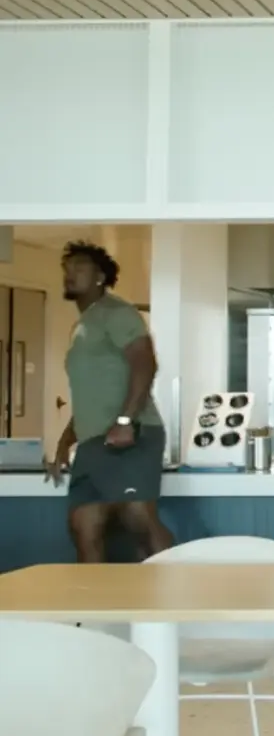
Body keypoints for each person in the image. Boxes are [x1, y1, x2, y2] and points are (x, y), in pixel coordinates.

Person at [44, 241, 173, 563]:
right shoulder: (83, 325)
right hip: (94, 442)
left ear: (100, 277)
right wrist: (64, 443)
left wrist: (125, 421)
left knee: (138, 520)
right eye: (66, 268)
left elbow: (145, 363)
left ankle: (175, 590)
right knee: (83, 525)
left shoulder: (117, 313)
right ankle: (95, 597)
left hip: (131, 435)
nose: (70, 274)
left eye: (80, 268)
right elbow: (91, 394)